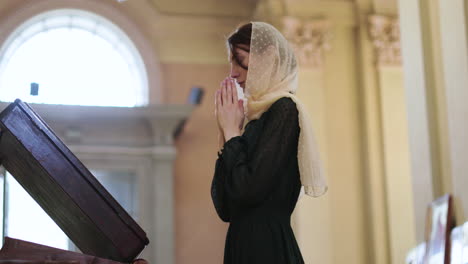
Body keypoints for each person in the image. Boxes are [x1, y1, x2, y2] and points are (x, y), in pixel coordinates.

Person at [211, 22, 328, 264]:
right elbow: (224, 207)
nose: (232, 72)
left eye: (239, 59)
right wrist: (226, 135)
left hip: (266, 248)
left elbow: (248, 191)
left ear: (269, 57)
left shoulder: (284, 110)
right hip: (241, 245)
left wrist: (233, 134)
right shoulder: (254, 121)